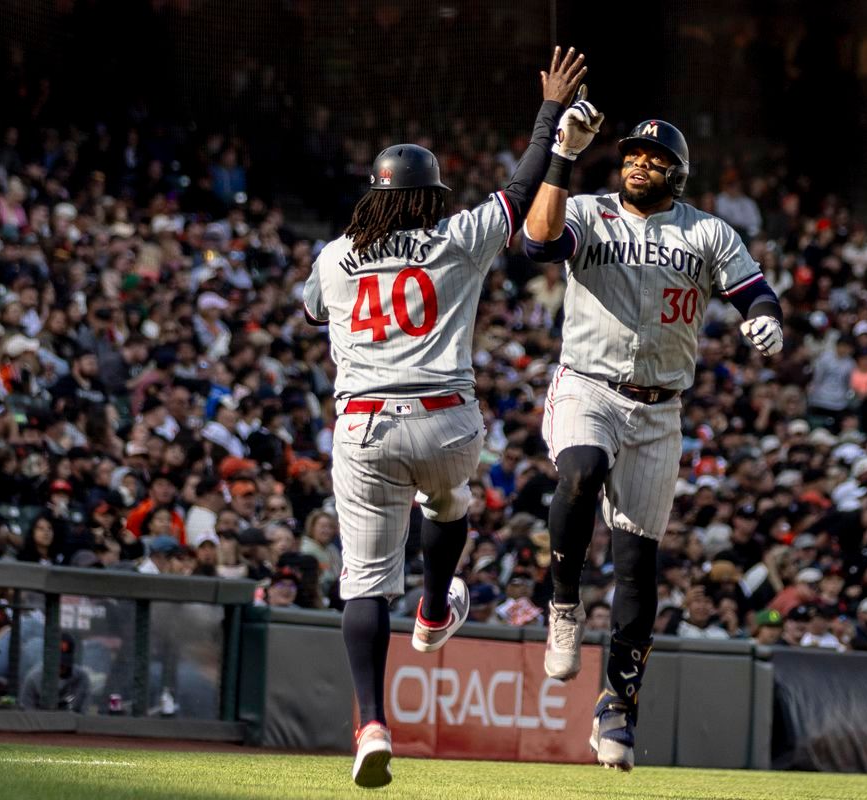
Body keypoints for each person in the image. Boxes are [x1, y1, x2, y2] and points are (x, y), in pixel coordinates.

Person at [301, 46, 587, 788]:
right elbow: (522, 189)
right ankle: (435, 604)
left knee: (363, 584)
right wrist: (549, 112)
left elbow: (310, 311)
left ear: (374, 194)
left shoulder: (335, 256)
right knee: (449, 500)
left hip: (364, 422)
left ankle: (370, 723)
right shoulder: (456, 237)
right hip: (446, 419)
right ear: (432, 195)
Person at [522, 117, 784, 770]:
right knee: (580, 468)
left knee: (639, 566)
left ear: (678, 170)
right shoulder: (588, 208)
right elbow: (538, 241)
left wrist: (765, 320)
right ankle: (561, 605)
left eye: (653, 156)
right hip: (588, 384)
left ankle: (617, 707)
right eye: (632, 154)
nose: (638, 163)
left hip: (660, 410)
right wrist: (560, 158)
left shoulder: (706, 231)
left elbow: (755, 291)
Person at [20, 633, 91, 712]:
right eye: (56, 664)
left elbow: (82, 713)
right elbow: (28, 714)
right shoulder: (33, 679)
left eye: (64, 664)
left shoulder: (81, 678)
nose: (60, 668)